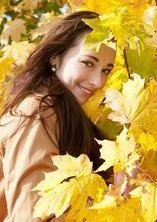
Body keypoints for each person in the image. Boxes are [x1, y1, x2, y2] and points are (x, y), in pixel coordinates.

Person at [0, 11, 116, 221]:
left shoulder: (64, 114)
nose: (98, 82)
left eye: (106, 70)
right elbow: (31, 215)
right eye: (89, 62)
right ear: (56, 55)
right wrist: (115, 202)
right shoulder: (37, 112)